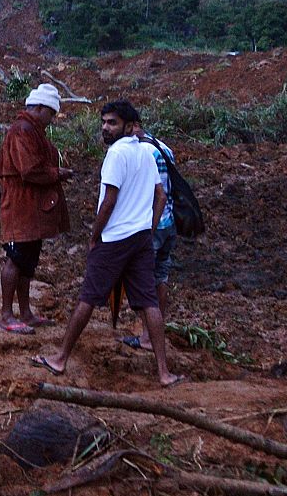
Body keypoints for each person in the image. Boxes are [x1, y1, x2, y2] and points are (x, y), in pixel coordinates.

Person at [33, 101, 184, 388]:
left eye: (112, 123)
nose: (105, 127)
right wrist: (147, 229)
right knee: (148, 301)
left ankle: (60, 358)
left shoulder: (116, 155)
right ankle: (164, 372)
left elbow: (109, 201)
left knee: (88, 297)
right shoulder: (145, 152)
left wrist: (94, 235)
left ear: (129, 125)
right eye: (103, 122)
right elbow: (161, 197)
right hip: (140, 238)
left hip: (114, 238)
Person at [0, 83, 74, 334]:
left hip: (30, 208)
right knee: (15, 259)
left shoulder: (31, 130)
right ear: (40, 108)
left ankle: (25, 312)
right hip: (21, 206)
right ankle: (6, 314)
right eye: (50, 114)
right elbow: (29, 169)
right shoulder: (22, 130)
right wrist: (56, 173)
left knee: (27, 261)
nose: (51, 120)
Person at [121, 125, 177, 351]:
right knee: (160, 278)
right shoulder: (164, 148)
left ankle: (146, 337)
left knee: (142, 281)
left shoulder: (141, 153)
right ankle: (155, 335)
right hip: (169, 223)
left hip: (149, 224)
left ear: (133, 126)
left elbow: (148, 194)